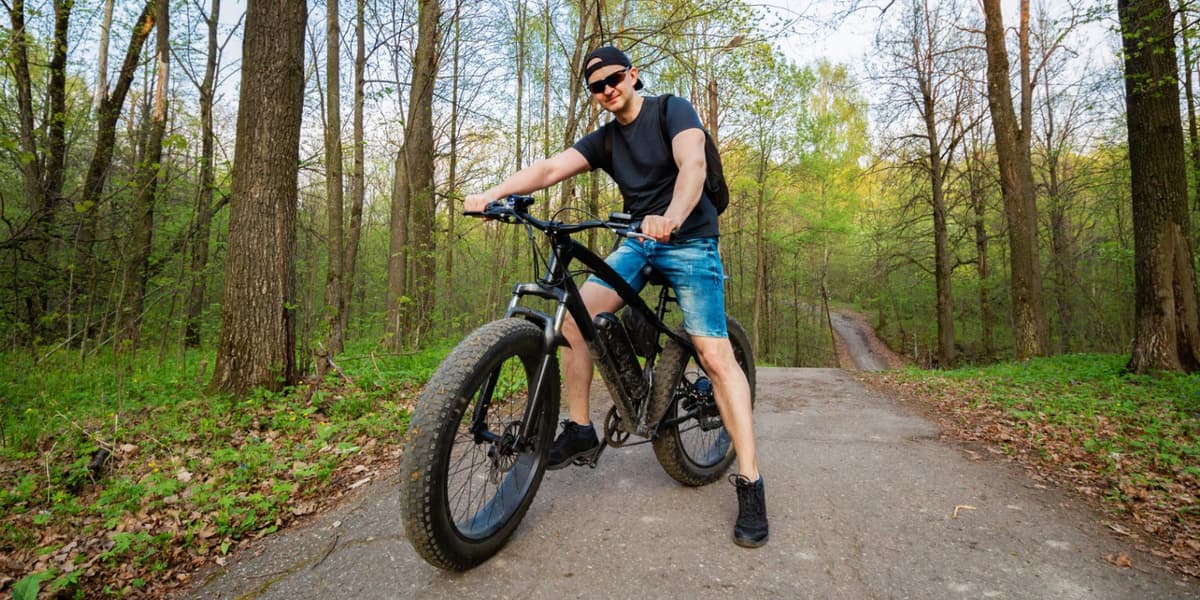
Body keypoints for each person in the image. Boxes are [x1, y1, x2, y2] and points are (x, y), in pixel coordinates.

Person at [463, 46, 767, 548]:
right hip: (636, 242)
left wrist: (672, 214)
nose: (607, 90)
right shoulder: (605, 140)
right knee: (575, 319)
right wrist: (493, 194)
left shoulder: (673, 110)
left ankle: (751, 481)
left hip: (688, 239)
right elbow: (547, 170)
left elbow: (691, 164)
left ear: (632, 75)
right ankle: (580, 428)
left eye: (613, 79)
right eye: (597, 86)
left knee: (714, 357)